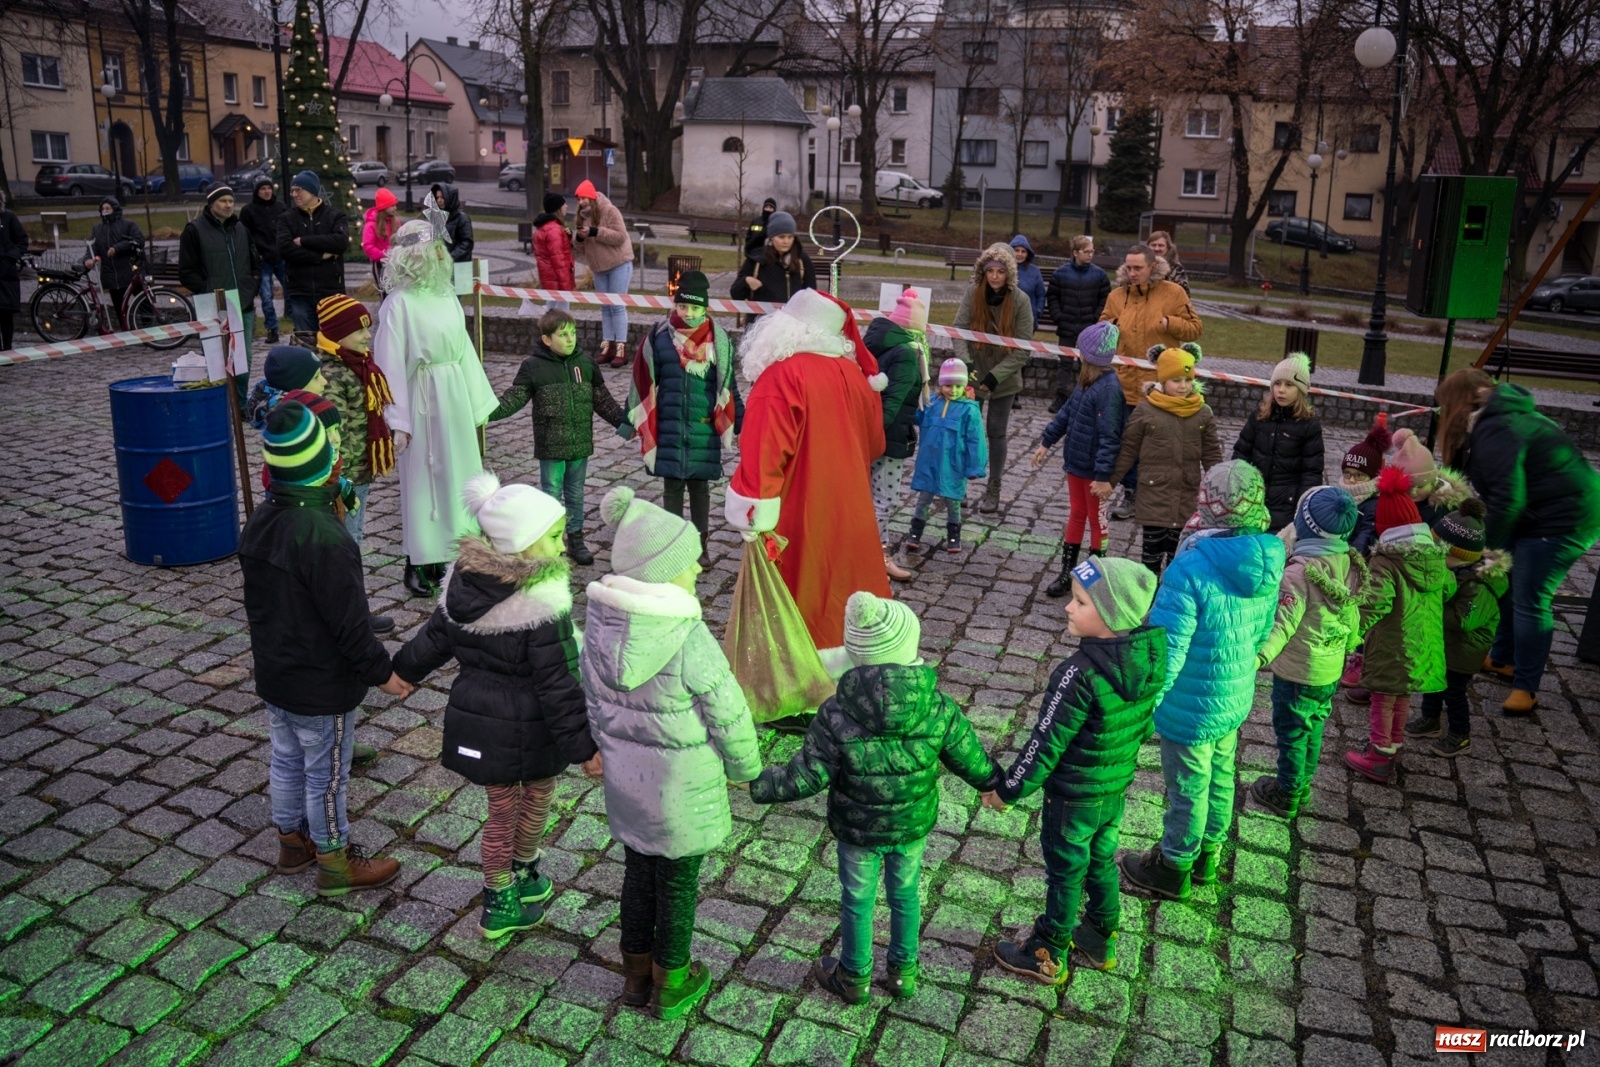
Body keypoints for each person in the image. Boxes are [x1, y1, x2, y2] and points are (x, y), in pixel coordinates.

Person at [752, 591, 999, 1002]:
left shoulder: (834, 712)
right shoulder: (937, 707)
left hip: (857, 831)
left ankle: (854, 977)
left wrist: (755, 783)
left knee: (857, 900)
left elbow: (806, 776)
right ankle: (903, 974)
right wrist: (997, 786)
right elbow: (970, 758)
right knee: (906, 895)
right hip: (911, 825)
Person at [393, 472, 602, 938]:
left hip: (479, 722)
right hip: (530, 724)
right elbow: (558, 685)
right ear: (522, 543)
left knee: (503, 807)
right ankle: (502, 896)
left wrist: (401, 672)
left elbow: (433, 639)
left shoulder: (462, 584)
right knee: (530, 798)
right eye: (554, 536)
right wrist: (585, 749)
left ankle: (519, 877)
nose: (563, 545)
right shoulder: (541, 605)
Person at [581, 486, 761, 1020]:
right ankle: (673, 983)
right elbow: (728, 711)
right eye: (690, 562)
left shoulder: (599, 631)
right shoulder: (689, 637)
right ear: (661, 573)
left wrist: (600, 750)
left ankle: (636, 978)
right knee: (678, 887)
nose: (700, 568)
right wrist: (746, 768)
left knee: (638, 877)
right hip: (683, 792)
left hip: (628, 786)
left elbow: (592, 704)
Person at [238, 400, 407, 896]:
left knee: (286, 759)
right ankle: (334, 861)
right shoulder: (326, 540)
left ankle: (292, 841)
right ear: (320, 465)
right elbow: (351, 626)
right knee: (328, 776)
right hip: (320, 685)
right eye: (330, 452)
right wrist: (383, 673)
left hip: (277, 675)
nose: (338, 458)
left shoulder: (261, 520)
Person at [986, 556, 1165, 981]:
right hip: (1113, 789)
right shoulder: (1147, 661)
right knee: (1100, 862)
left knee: (1065, 873)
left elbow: (1044, 743)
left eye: (1081, 602)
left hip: (1072, 799)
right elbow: (1144, 726)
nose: (1068, 607)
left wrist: (1008, 790)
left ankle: (1047, 951)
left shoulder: (1076, 675)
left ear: (1110, 616)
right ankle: (1100, 936)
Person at [1119, 461, 1284, 901]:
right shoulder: (1269, 558)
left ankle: (1174, 866)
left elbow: (1167, 650)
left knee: (1188, 788)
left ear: (1206, 507)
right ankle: (1209, 853)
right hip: (1233, 695)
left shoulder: (1190, 567)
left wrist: (1146, 705)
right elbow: (1263, 632)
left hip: (1190, 705)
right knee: (1222, 775)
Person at [725, 287, 891, 653]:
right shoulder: (855, 375)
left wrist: (752, 516)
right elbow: (876, 444)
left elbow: (764, 454)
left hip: (800, 510)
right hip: (851, 507)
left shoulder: (782, 376)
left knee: (802, 600)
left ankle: (799, 673)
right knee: (849, 592)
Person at [1436, 370, 1600, 716]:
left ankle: (1526, 687)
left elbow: (1508, 499)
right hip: (1535, 512)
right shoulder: (1495, 420)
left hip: (1566, 518)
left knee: (1530, 597)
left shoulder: (1497, 428)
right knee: (1505, 580)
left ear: (1459, 403)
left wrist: (1479, 547)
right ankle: (1503, 659)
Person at [372, 214, 499, 599]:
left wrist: (477, 403)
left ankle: (459, 555)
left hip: (453, 396)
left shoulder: (447, 298)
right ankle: (420, 559)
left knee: (460, 475)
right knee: (424, 480)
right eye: (436, 250)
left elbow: (464, 352)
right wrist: (398, 420)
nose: (443, 257)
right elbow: (390, 364)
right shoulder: (398, 304)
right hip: (422, 398)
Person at [1249, 486, 1366, 819]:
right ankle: (1302, 783)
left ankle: (1286, 793)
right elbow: (1352, 614)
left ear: (1304, 525)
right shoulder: (1349, 563)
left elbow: (1282, 624)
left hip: (1298, 673)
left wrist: (1258, 658)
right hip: (1330, 668)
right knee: (1313, 725)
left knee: (1291, 733)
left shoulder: (1297, 574)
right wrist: (1351, 643)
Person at [487, 307, 632, 567]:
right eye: (563, 334)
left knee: (575, 493)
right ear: (547, 339)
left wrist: (625, 422)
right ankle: (549, 538)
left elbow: (602, 401)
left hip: (579, 445)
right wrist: (485, 412)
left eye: (573, 333)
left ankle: (576, 538)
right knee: (551, 493)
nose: (570, 338)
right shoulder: (533, 367)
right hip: (551, 446)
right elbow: (513, 400)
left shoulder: (586, 364)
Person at [1345, 467, 1454, 784]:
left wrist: (1351, 631)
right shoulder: (1435, 557)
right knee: (1402, 697)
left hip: (1394, 646)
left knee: (1382, 699)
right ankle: (1392, 745)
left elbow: (1375, 603)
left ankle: (1379, 756)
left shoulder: (1387, 560)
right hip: (1424, 646)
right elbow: (1448, 588)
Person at [624, 271, 742, 565]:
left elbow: (728, 386)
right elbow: (642, 383)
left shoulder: (719, 342)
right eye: (682, 306)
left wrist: (742, 420)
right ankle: (673, 543)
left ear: (705, 308)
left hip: (704, 429)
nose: (687, 313)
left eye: (694, 307)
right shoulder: (659, 339)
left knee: (700, 488)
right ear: (674, 305)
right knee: (672, 486)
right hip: (670, 426)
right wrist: (628, 421)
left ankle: (701, 545)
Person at [1099, 242, 1201, 520]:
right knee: (1127, 444)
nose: (1132, 273)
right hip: (1123, 383)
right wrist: (1109, 329)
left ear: (1152, 266)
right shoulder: (1117, 295)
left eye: (1138, 268)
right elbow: (1103, 327)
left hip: (1159, 387)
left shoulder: (1174, 292)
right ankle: (1132, 494)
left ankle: (1160, 496)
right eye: (1129, 267)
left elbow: (1195, 328)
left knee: (1158, 446)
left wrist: (1170, 323)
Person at [1404, 498, 1509, 758]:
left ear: (1460, 556)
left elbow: (1465, 621)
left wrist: (1432, 606)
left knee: (1454, 692)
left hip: (1463, 651)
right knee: (1433, 681)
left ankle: (1460, 734)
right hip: (1444, 644)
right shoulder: (1455, 571)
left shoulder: (1478, 587)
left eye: (1441, 552)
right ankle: (1430, 719)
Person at [1108, 344, 1221, 576]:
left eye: (1188, 380)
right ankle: (1148, 593)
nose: (1183, 386)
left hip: (1187, 494)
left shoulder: (1202, 412)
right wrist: (1109, 481)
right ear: (1163, 380)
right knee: (1150, 555)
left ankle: (1169, 594)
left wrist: (1218, 488)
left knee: (1177, 556)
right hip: (1154, 495)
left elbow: (1212, 454)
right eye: (1176, 380)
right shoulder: (1146, 410)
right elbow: (1128, 448)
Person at [1032, 322, 1124, 598]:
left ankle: (1094, 579)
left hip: (1095, 471)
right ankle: (1067, 572)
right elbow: (1066, 413)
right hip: (1076, 462)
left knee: (1096, 521)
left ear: (1088, 355)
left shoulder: (1109, 390)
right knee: (1076, 514)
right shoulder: (1086, 382)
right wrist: (1046, 441)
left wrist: (1103, 475)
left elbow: (1110, 436)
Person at [951, 243, 1035, 513]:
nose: (995, 276)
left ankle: (994, 487)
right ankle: (960, 484)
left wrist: (996, 376)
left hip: (1003, 378)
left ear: (1009, 273)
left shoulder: (1020, 300)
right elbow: (959, 329)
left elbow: (1023, 348)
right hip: (974, 372)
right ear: (983, 271)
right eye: (990, 271)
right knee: (966, 430)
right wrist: (965, 363)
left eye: (1001, 271)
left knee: (996, 432)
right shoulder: (973, 292)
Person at [314, 295, 396, 547]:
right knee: (348, 536)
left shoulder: (358, 364)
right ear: (338, 335)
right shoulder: (333, 376)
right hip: (348, 475)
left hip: (362, 468)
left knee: (356, 532)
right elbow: (335, 434)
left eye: (367, 328)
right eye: (359, 330)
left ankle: (352, 570)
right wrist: (343, 480)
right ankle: (347, 571)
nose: (367, 336)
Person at [864, 289, 929, 579]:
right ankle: (877, 557)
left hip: (871, 434)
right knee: (884, 500)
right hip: (887, 439)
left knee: (867, 497)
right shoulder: (906, 353)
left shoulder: (879, 344)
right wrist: (876, 439)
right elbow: (892, 402)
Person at [179, 185, 260, 408]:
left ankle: (240, 406)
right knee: (216, 359)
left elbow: (255, 262)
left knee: (243, 359)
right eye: (223, 201)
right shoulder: (194, 230)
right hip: (211, 304)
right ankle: (220, 406)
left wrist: (251, 286)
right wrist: (207, 289)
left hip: (241, 304)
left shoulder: (241, 229)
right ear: (211, 203)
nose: (228, 205)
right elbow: (186, 271)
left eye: (231, 201)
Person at [1231, 353, 1325, 532]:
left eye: (1289, 385)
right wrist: (1239, 486)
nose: (1281, 390)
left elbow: (1311, 472)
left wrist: (1301, 507)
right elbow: (1241, 454)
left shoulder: (1309, 425)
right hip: (1253, 501)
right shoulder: (1259, 417)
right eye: (1277, 383)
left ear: (1301, 389)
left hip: (1286, 508)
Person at [902, 358, 987, 555]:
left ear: (964, 386)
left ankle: (953, 535)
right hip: (928, 462)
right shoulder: (931, 403)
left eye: (958, 386)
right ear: (941, 384)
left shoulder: (969, 409)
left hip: (953, 465)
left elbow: (976, 441)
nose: (953, 390)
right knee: (923, 499)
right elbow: (916, 416)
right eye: (948, 385)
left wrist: (975, 466)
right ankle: (915, 533)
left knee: (953, 502)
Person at [277, 170, 350, 336]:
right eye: (292, 191)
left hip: (330, 290)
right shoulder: (286, 218)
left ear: (312, 190)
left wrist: (304, 241)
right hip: (300, 291)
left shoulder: (335, 216)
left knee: (333, 340)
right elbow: (285, 249)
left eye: (298, 190)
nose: (294, 194)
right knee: (306, 342)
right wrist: (320, 255)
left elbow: (340, 242)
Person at [1045, 236, 1111, 413]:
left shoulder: (1099, 275)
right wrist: (1059, 317)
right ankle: (1061, 397)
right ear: (1075, 252)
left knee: (1087, 365)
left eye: (1092, 251)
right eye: (1086, 251)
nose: (1090, 254)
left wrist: (1096, 318)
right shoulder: (1060, 273)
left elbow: (1105, 299)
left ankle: (1084, 398)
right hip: (1066, 326)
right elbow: (1052, 297)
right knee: (1065, 363)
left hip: (1089, 328)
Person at [572, 179, 633, 366]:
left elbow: (620, 236)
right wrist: (579, 238)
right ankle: (607, 348)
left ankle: (621, 350)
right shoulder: (581, 216)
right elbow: (580, 248)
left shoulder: (610, 210)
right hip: (598, 268)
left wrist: (595, 232)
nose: (582, 202)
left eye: (584, 197)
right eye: (579, 199)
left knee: (617, 306)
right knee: (605, 308)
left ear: (592, 197)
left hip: (618, 264)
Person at [730, 210, 817, 313]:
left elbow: (812, 295)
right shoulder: (756, 259)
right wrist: (746, 281)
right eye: (781, 237)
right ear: (771, 237)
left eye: (790, 237)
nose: (786, 241)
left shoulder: (801, 259)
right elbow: (735, 294)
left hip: (793, 320)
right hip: (761, 321)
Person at [85, 197, 145, 329]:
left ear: (115, 209)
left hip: (129, 271)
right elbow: (92, 248)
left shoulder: (128, 224)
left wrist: (117, 248)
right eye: (103, 208)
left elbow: (139, 240)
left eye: (108, 208)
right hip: (110, 275)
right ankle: (126, 329)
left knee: (142, 301)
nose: (105, 211)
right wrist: (88, 259)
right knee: (119, 307)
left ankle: (149, 327)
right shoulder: (97, 229)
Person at [241, 178, 289, 342]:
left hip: (281, 256)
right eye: (263, 189)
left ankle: (298, 326)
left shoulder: (281, 207)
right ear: (257, 191)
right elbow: (244, 235)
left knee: (292, 291)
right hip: (262, 259)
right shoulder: (248, 211)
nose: (267, 191)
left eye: (269, 188)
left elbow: (288, 230)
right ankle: (272, 329)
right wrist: (255, 254)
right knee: (267, 297)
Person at [1341, 412, 1391, 558]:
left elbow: (1365, 537)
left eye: (1359, 475)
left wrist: (1348, 558)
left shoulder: (1374, 506)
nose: (1351, 480)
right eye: (1347, 473)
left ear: (1373, 477)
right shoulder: (1338, 495)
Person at [533, 192, 575, 308]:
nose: (566, 206)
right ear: (557, 208)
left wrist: (568, 236)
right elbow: (558, 261)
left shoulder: (544, 227)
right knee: (561, 315)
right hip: (558, 283)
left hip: (550, 281)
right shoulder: (554, 230)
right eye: (563, 204)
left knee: (551, 311)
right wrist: (566, 286)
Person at [0, 191, 27, 350]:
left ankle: (8, 348)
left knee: (5, 314)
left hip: (6, 273)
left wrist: (10, 257)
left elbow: (22, 240)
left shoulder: (8, 217)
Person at [362, 186, 400, 287]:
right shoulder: (371, 225)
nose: (395, 208)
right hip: (380, 264)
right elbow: (368, 246)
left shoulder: (395, 222)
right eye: (392, 205)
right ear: (385, 207)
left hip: (396, 262)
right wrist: (384, 255)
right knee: (384, 290)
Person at [1009, 233, 1047, 323]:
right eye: (1016, 250)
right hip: (1006, 318)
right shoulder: (1003, 269)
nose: (1020, 254)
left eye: (1023, 251)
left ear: (1028, 253)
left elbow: (1041, 294)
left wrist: (1038, 312)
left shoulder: (1034, 271)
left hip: (1028, 319)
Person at [432, 183, 474, 263]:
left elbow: (467, 244)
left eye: (442, 197)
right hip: (441, 263)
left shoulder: (462, 218)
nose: (439, 200)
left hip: (458, 264)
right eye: (437, 197)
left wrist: (449, 257)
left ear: (450, 198)